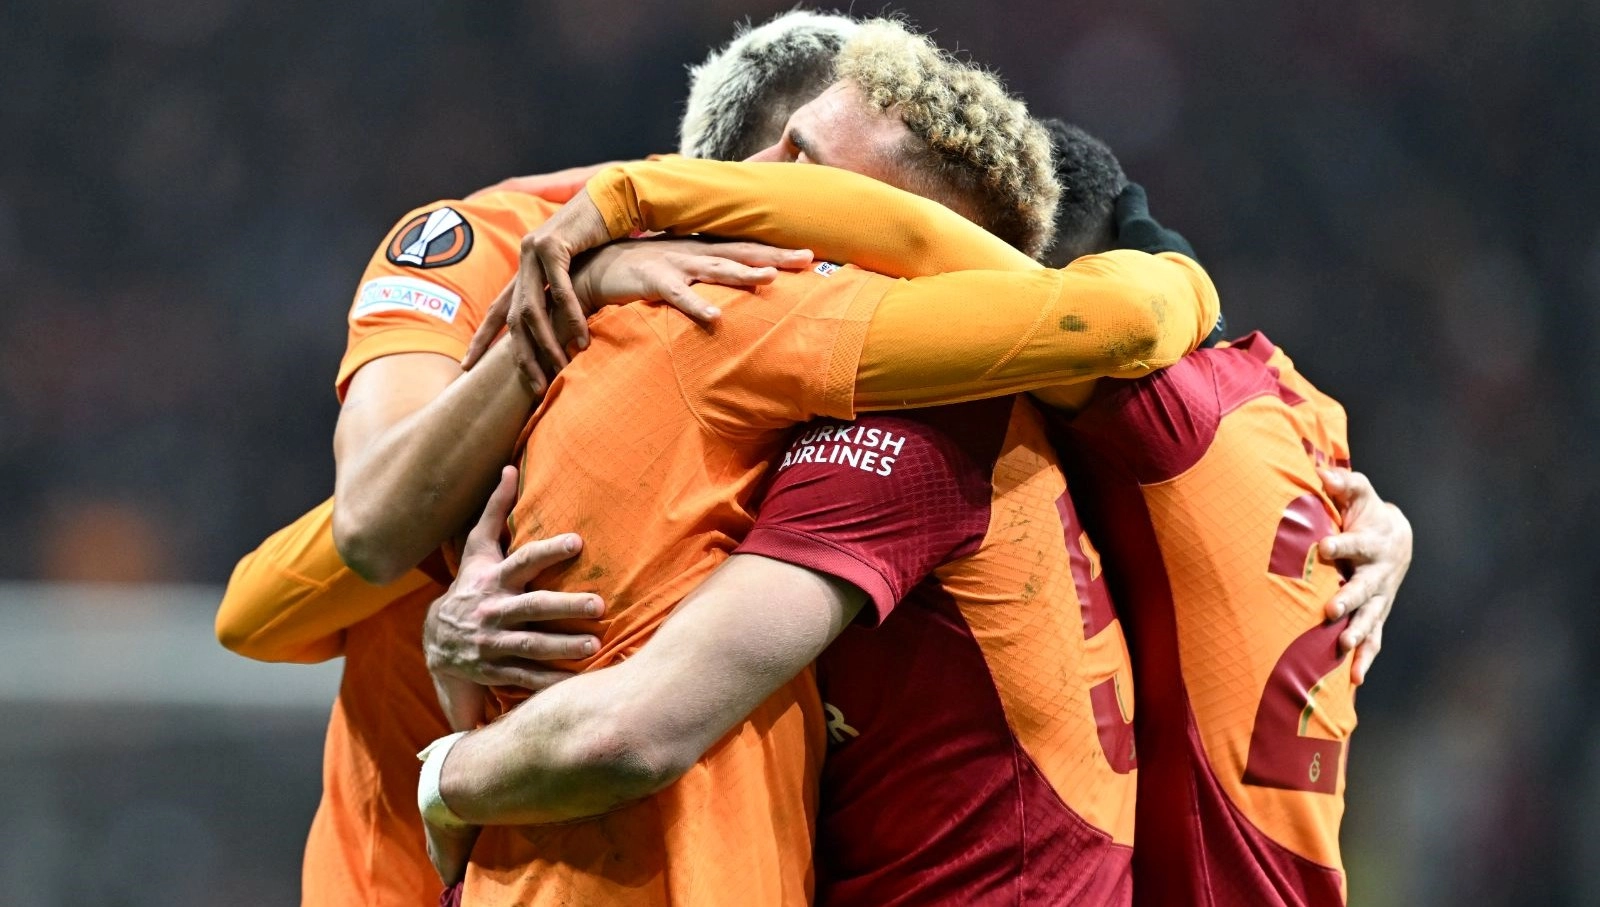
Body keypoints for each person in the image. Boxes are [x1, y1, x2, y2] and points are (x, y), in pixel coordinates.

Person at [421, 18, 1223, 907]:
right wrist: (449, 640)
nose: (746, 181)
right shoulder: (764, 369)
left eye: (803, 165)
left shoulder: (896, 405)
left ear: (892, 243)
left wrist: (444, 775)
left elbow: (633, 732)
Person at [214, 11, 867, 906]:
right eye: (872, 211)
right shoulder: (481, 241)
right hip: (402, 876)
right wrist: (574, 295)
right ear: (781, 166)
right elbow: (364, 529)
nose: (880, 254)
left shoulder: (833, 337)